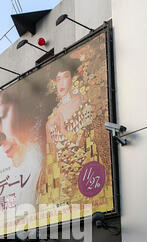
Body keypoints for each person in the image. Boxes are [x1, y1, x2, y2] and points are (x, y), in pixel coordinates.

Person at [38, 54, 94, 205]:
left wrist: (63, 130)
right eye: (58, 79)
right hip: (62, 182)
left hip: (85, 175)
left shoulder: (82, 101)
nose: (61, 83)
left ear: (72, 78)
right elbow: (51, 158)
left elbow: (86, 143)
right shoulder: (51, 119)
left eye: (65, 77)